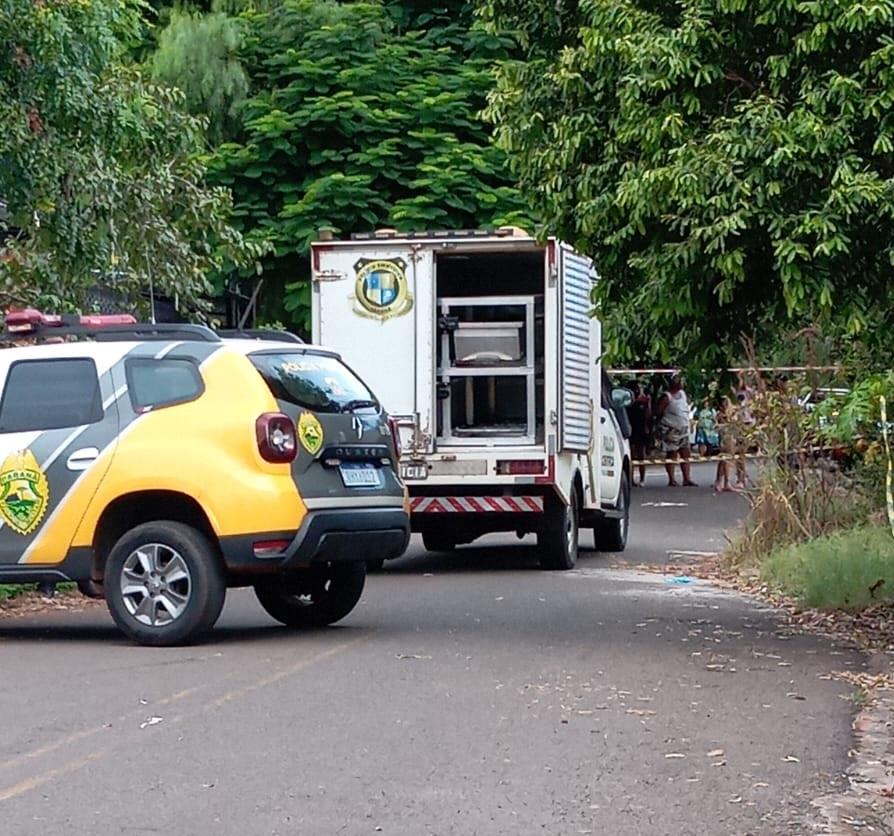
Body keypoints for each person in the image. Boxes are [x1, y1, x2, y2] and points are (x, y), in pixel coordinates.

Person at [655, 374, 697, 487]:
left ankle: (687, 478)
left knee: (685, 452)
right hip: (671, 430)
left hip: (683, 429)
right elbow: (658, 412)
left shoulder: (682, 394)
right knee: (672, 453)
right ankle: (671, 479)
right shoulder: (667, 397)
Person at [626, 383, 652, 486]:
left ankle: (642, 479)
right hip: (631, 429)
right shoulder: (628, 403)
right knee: (631, 455)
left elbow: (648, 416)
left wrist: (648, 404)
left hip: (640, 430)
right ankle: (631, 479)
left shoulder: (643, 403)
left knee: (641, 455)